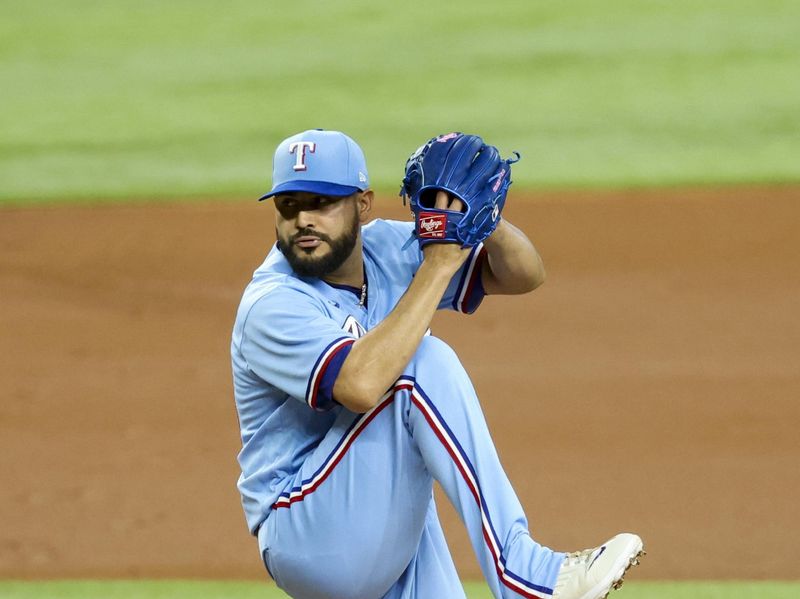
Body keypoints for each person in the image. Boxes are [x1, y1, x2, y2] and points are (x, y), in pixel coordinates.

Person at [231, 129, 643, 599]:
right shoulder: (273, 303)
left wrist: (483, 220)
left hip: (379, 514)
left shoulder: (385, 247)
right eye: (289, 205)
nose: (303, 219)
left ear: (362, 206)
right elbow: (361, 385)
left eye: (321, 202)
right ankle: (525, 573)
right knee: (419, 365)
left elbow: (523, 275)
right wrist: (437, 265)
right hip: (306, 530)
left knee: (412, 423)